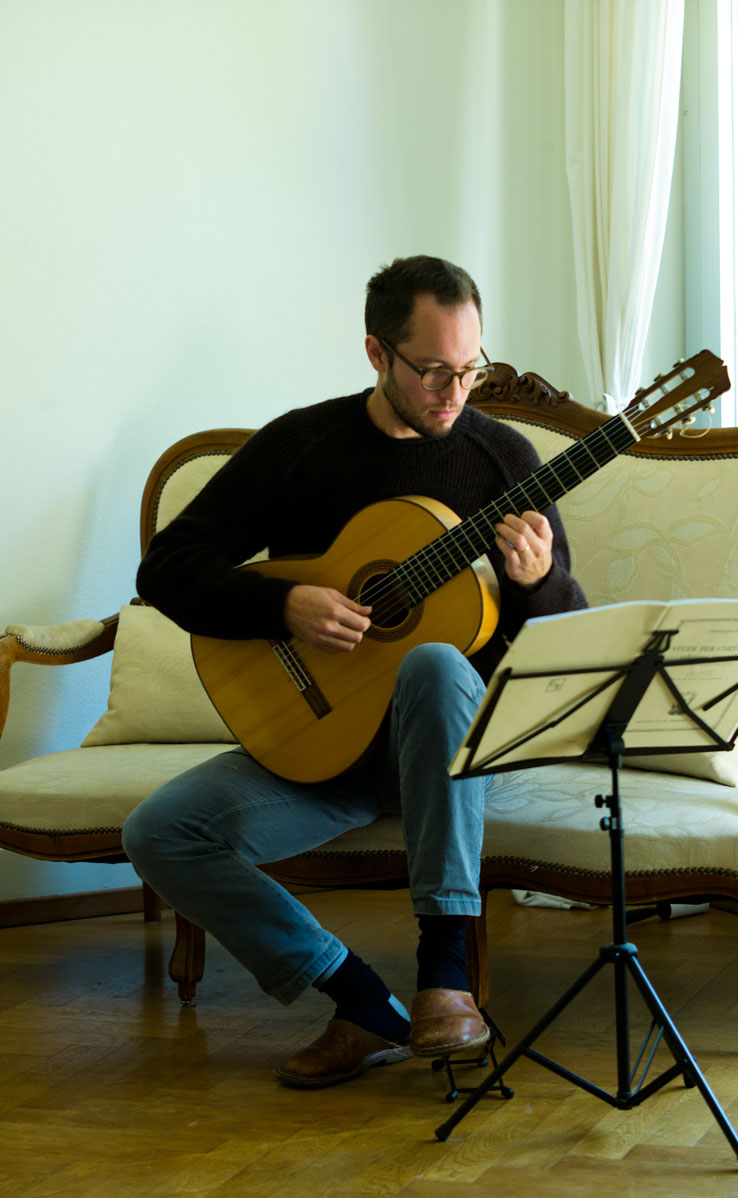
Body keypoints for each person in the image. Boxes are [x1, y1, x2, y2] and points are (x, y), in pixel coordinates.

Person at [122, 255, 586, 1089]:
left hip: (455, 759)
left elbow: (565, 645)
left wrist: (537, 581)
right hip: (326, 749)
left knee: (434, 663)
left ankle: (445, 977)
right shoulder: (302, 446)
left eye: (471, 369)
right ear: (377, 352)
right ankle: (362, 1001)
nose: (455, 392)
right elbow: (167, 568)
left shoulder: (504, 460)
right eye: (434, 371)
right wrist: (284, 604)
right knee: (158, 832)